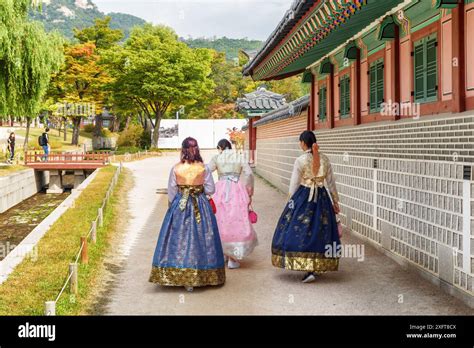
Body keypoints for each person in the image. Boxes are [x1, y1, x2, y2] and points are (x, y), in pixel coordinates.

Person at [149, 137, 225, 292]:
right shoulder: (203, 168)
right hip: (200, 204)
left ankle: (180, 274)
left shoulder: (176, 168)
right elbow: (211, 189)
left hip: (181, 205)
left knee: (179, 237)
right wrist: (198, 189)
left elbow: (171, 192)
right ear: (197, 149)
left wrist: (174, 204)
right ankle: (202, 273)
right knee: (202, 237)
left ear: (183, 150)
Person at [271, 130, 341, 283]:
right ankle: (316, 264)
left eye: (300, 142)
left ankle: (307, 266)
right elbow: (331, 182)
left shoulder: (300, 160)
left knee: (300, 229)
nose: (300, 144)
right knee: (321, 229)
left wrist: (291, 202)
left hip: (304, 196)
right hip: (322, 197)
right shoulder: (325, 159)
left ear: (303, 143)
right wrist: (335, 201)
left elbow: (294, 183)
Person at [207, 139, 258, 269]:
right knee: (236, 220)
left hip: (220, 190)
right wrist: (249, 191)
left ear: (220, 147)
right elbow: (249, 173)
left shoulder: (217, 157)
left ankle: (223, 252)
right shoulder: (239, 157)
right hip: (236, 189)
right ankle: (233, 257)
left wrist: (208, 189)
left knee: (221, 220)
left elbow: (206, 172)